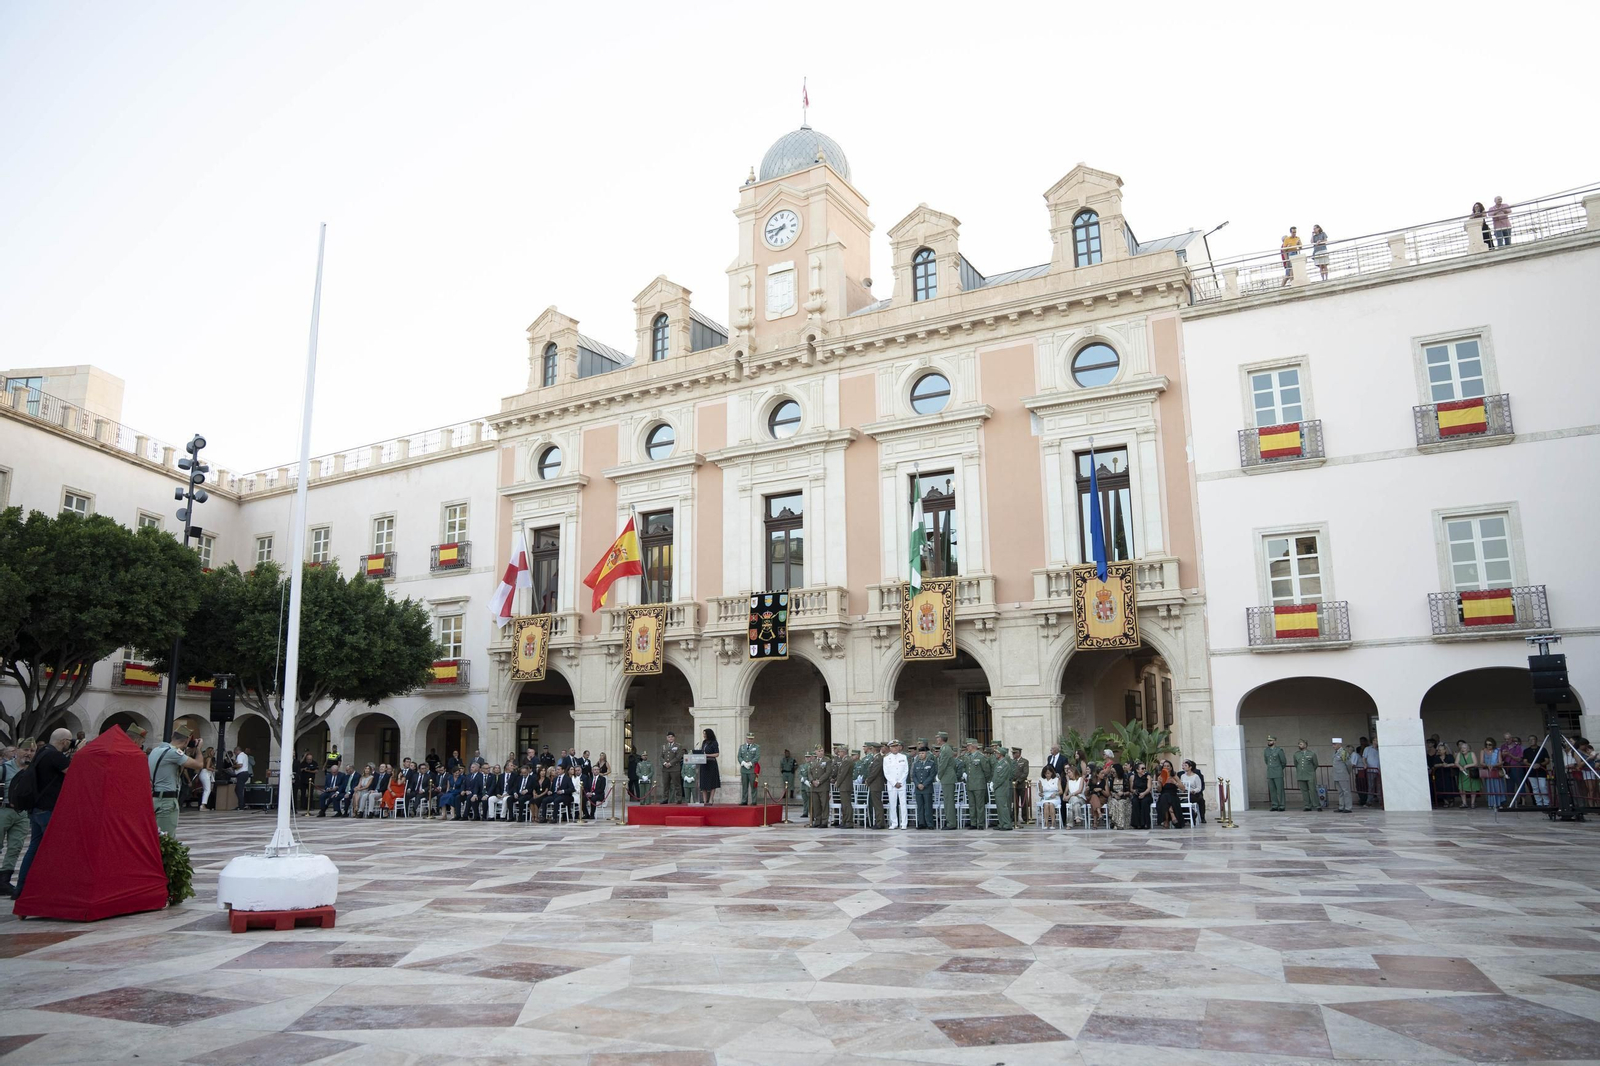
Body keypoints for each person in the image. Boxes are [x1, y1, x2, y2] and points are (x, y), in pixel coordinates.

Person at [14, 728, 73, 898]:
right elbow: (74, 773)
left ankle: (21, 888)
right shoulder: (55, 756)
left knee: (33, 849)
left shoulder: (41, 753)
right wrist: (80, 753)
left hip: (36, 809)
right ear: (64, 741)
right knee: (55, 850)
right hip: (48, 810)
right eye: (69, 741)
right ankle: (52, 890)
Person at [148, 728, 203, 836]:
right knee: (166, 839)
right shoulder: (173, 753)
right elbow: (199, 765)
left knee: (154, 837)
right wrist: (198, 749)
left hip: (154, 798)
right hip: (166, 802)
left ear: (172, 737)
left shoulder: (156, 750)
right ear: (186, 740)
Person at [1, 748, 31, 894]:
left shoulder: (31, 770)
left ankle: (4, 881)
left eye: (32, 750)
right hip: (3, 809)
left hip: (22, 813)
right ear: (17, 751)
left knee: (15, 847)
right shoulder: (4, 769)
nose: (28, 753)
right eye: (25, 749)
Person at [883, 739, 909, 830]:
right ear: (890, 748)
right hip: (892, 785)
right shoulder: (886, 759)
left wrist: (900, 782)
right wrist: (894, 783)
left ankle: (904, 823)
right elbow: (886, 773)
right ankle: (894, 823)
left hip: (902, 784)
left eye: (896, 746)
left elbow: (906, 771)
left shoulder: (903, 757)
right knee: (892, 804)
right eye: (893, 747)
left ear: (899, 747)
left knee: (903, 804)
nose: (895, 748)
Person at [934, 731, 958, 830]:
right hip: (947, 776)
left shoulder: (945, 749)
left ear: (941, 739)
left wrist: (939, 775)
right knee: (947, 800)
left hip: (947, 777)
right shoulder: (945, 748)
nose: (937, 739)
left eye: (938, 737)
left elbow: (943, 764)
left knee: (949, 801)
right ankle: (950, 821)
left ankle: (951, 823)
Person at [990, 744, 1015, 830]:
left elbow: (1001, 778)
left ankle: (1007, 824)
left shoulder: (1004, 764)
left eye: (997, 753)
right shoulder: (999, 763)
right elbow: (996, 775)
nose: (995, 754)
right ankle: (1001, 823)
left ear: (1000, 754)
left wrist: (994, 785)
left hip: (1002, 788)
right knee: (999, 807)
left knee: (1003, 807)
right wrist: (992, 782)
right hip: (998, 788)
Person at [911, 744, 936, 829]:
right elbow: (913, 775)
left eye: (923, 753)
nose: (921, 755)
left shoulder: (931, 763)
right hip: (918, 788)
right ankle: (921, 823)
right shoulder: (916, 764)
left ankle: (929, 823)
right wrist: (918, 784)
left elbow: (931, 776)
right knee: (920, 806)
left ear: (926, 754)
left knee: (928, 806)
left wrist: (924, 784)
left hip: (927, 788)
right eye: (920, 753)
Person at [1262, 735, 1288, 811]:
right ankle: (1274, 805)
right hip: (1270, 772)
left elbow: (1283, 762)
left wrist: (1278, 768)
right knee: (1272, 790)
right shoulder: (1266, 750)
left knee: (1280, 790)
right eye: (1268, 740)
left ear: (1274, 741)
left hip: (1278, 772)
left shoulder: (1279, 750)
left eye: (1270, 740)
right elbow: (1266, 761)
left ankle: (1282, 805)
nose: (1269, 742)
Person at [1293, 740, 1319, 812]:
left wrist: (1311, 771)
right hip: (1301, 775)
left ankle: (1317, 805)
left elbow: (1315, 764)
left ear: (1305, 745)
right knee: (1304, 791)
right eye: (1299, 744)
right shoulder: (1296, 754)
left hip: (1310, 774)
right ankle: (1307, 805)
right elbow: (1296, 764)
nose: (1299, 745)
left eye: (1301, 744)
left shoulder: (1312, 754)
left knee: (1312, 790)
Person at [1154, 760, 1181, 828]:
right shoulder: (1161, 777)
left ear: (1171, 768)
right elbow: (1159, 790)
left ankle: (1166, 821)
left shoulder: (1174, 776)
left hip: (1173, 796)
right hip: (1163, 796)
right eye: (1164, 766)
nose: (1166, 767)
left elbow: (1183, 788)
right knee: (1165, 797)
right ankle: (1172, 814)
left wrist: (1175, 783)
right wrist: (1159, 784)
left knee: (1166, 797)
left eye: (1168, 766)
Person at [1480, 738, 1505, 810]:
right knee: (1489, 787)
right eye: (1486, 744)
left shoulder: (1497, 751)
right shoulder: (1483, 751)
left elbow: (1500, 762)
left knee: (1498, 787)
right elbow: (1481, 762)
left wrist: (1493, 765)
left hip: (1496, 770)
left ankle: (1499, 803)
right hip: (1488, 771)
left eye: (1490, 744)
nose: (1488, 746)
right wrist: (1487, 765)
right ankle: (1491, 803)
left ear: (1493, 744)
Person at [698, 728, 721, 805]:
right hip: (703, 764)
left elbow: (717, 754)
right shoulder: (704, 742)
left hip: (711, 764)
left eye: (705, 734)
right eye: (703, 734)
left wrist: (707, 755)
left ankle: (711, 799)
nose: (704, 735)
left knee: (712, 781)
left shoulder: (714, 742)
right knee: (703, 782)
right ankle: (705, 800)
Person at [1331, 739, 1354, 813]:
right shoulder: (1336, 752)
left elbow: (1348, 764)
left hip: (1343, 774)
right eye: (1333, 744)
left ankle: (1348, 807)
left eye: (1335, 744)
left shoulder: (1343, 752)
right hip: (1336, 775)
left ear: (1339, 744)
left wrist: (1347, 772)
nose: (1333, 746)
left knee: (1346, 791)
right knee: (1340, 792)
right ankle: (1341, 806)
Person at [660, 733, 684, 804]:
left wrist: (670, 763)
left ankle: (679, 798)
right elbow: (661, 757)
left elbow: (678, 757)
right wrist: (664, 763)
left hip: (674, 768)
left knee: (677, 784)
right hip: (665, 769)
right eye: (669, 737)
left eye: (672, 737)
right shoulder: (664, 746)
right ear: (666, 738)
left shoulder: (678, 746)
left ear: (674, 738)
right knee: (666, 784)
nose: (670, 738)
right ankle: (665, 798)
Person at [1456, 740, 1480, 808]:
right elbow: (1456, 762)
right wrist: (1460, 766)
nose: (1462, 749)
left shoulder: (1472, 754)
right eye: (1461, 748)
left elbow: (1475, 763)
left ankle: (1472, 803)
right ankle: (1464, 803)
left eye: (1464, 748)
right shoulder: (1459, 754)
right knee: (1462, 788)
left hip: (1472, 773)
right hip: (1463, 774)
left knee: (1473, 788)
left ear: (1468, 749)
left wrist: (1467, 766)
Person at [737, 732, 760, 805]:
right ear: (746, 738)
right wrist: (743, 762)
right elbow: (739, 756)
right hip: (744, 769)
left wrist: (750, 763)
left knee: (753, 786)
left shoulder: (756, 747)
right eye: (749, 738)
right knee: (744, 786)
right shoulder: (742, 747)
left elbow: (757, 757)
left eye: (751, 739)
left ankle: (754, 801)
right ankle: (744, 800)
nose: (750, 740)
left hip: (752, 769)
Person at [1180, 759, 1205, 824]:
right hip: (1185, 794)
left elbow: (1199, 787)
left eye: (1186, 765)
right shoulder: (1182, 776)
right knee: (1180, 802)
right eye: (1183, 765)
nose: (1184, 767)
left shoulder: (1196, 776)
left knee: (1186, 801)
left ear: (1190, 767)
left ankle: (1194, 815)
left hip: (1193, 794)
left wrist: (1194, 791)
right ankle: (1192, 814)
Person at [1129, 761, 1151, 830]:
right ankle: (1136, 823)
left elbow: (1149, 788)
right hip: (1137, 794)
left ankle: (1145, 823)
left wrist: (1144, 793)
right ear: (1137, 770)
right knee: (1135, 802)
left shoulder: (1148, 777)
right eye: (1142, 768)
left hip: (1146, 794)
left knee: (1144, 802)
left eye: (1144, 768)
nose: (1144, 770)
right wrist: (1134, 791)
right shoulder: (1132, 777)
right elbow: (1131, 789)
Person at [1011, 746, 1030, 826]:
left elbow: (1025, 773)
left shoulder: (1024, 761)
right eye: (1013, 753)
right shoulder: (1012, 762)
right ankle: (1014, 817)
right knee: (1015, 802)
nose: (1013, 755)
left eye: (1014, 753)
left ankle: (1025, 818)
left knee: (1024, 801)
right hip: (1013, 785)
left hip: (1021, 784)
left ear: (1018, 753)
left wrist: (1018, 781)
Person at [1363, 739, 1382, 807]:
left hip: (1379, 770)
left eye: (1377, 740)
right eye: (1375, 740)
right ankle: (1369, 801)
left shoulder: (1380, 749)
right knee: (1371, 786)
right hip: (1371, 770)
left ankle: (1381, 801)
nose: (1376, 742)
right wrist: (1365, 764)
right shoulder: (1367, 749)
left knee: (1379, 786)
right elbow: (1364, 758)